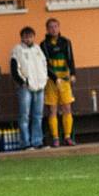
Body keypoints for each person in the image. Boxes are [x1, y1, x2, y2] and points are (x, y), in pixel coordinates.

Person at [41, 18, 76, 147]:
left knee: (67, 108)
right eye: (50, 27)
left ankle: (67, 136)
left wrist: (72, 74)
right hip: (51, 81)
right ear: (47, 29)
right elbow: (45, 64)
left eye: (55, 26)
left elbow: (70, 58)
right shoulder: (43, 45)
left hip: (65, 80)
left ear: (59, 27)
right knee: (52, 110)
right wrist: (55, 78)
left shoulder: (66, 42)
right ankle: (55, 138)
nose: (53, 29)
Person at [11, 26, 48, 150]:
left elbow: (44, 64)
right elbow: (14, 68)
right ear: (21, 37)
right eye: (25, 36)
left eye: (30, 36)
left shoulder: (38, 49)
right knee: (24, 115)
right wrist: (22, 82)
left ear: (34, 37)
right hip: (25, 87)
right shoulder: (17, 50)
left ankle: (37, 141)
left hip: (39, 86)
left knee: (38, 115)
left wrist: (44, 79)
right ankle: (25, 143)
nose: (28, 39)